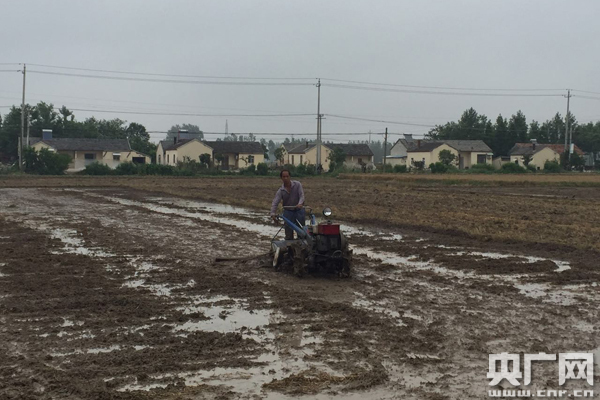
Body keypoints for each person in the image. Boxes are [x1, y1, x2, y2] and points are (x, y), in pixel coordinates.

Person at [270, 169, 305, 240]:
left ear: (290, 177)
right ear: (281, 178)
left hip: (298, 210)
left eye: (287, 176)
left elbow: (302, 196)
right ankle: (289, 243)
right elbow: (275, 202)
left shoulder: (297, 185)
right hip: (288, 211)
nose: (286, 178)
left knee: (301, 230)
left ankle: (302, 242)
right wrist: (273, 213)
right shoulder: (281, 190)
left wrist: (300, 204)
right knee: (288, 232)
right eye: (284, 177)